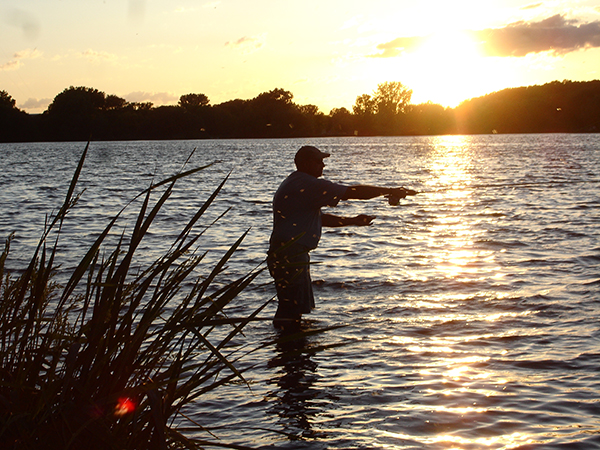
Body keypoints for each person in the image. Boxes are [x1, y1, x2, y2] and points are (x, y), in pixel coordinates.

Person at [267, 145, 413, 330]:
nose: (323, 165)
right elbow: (352, 192)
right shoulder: (307, 183)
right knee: (290, 309)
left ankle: (287, 348)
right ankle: (287, 347)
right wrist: (389, 191)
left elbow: (317, 218)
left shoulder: (296, 183)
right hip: (291, 254)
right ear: (305, 163)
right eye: (318, 161)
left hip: (287, 252)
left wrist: (352, 221)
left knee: (291, 308)